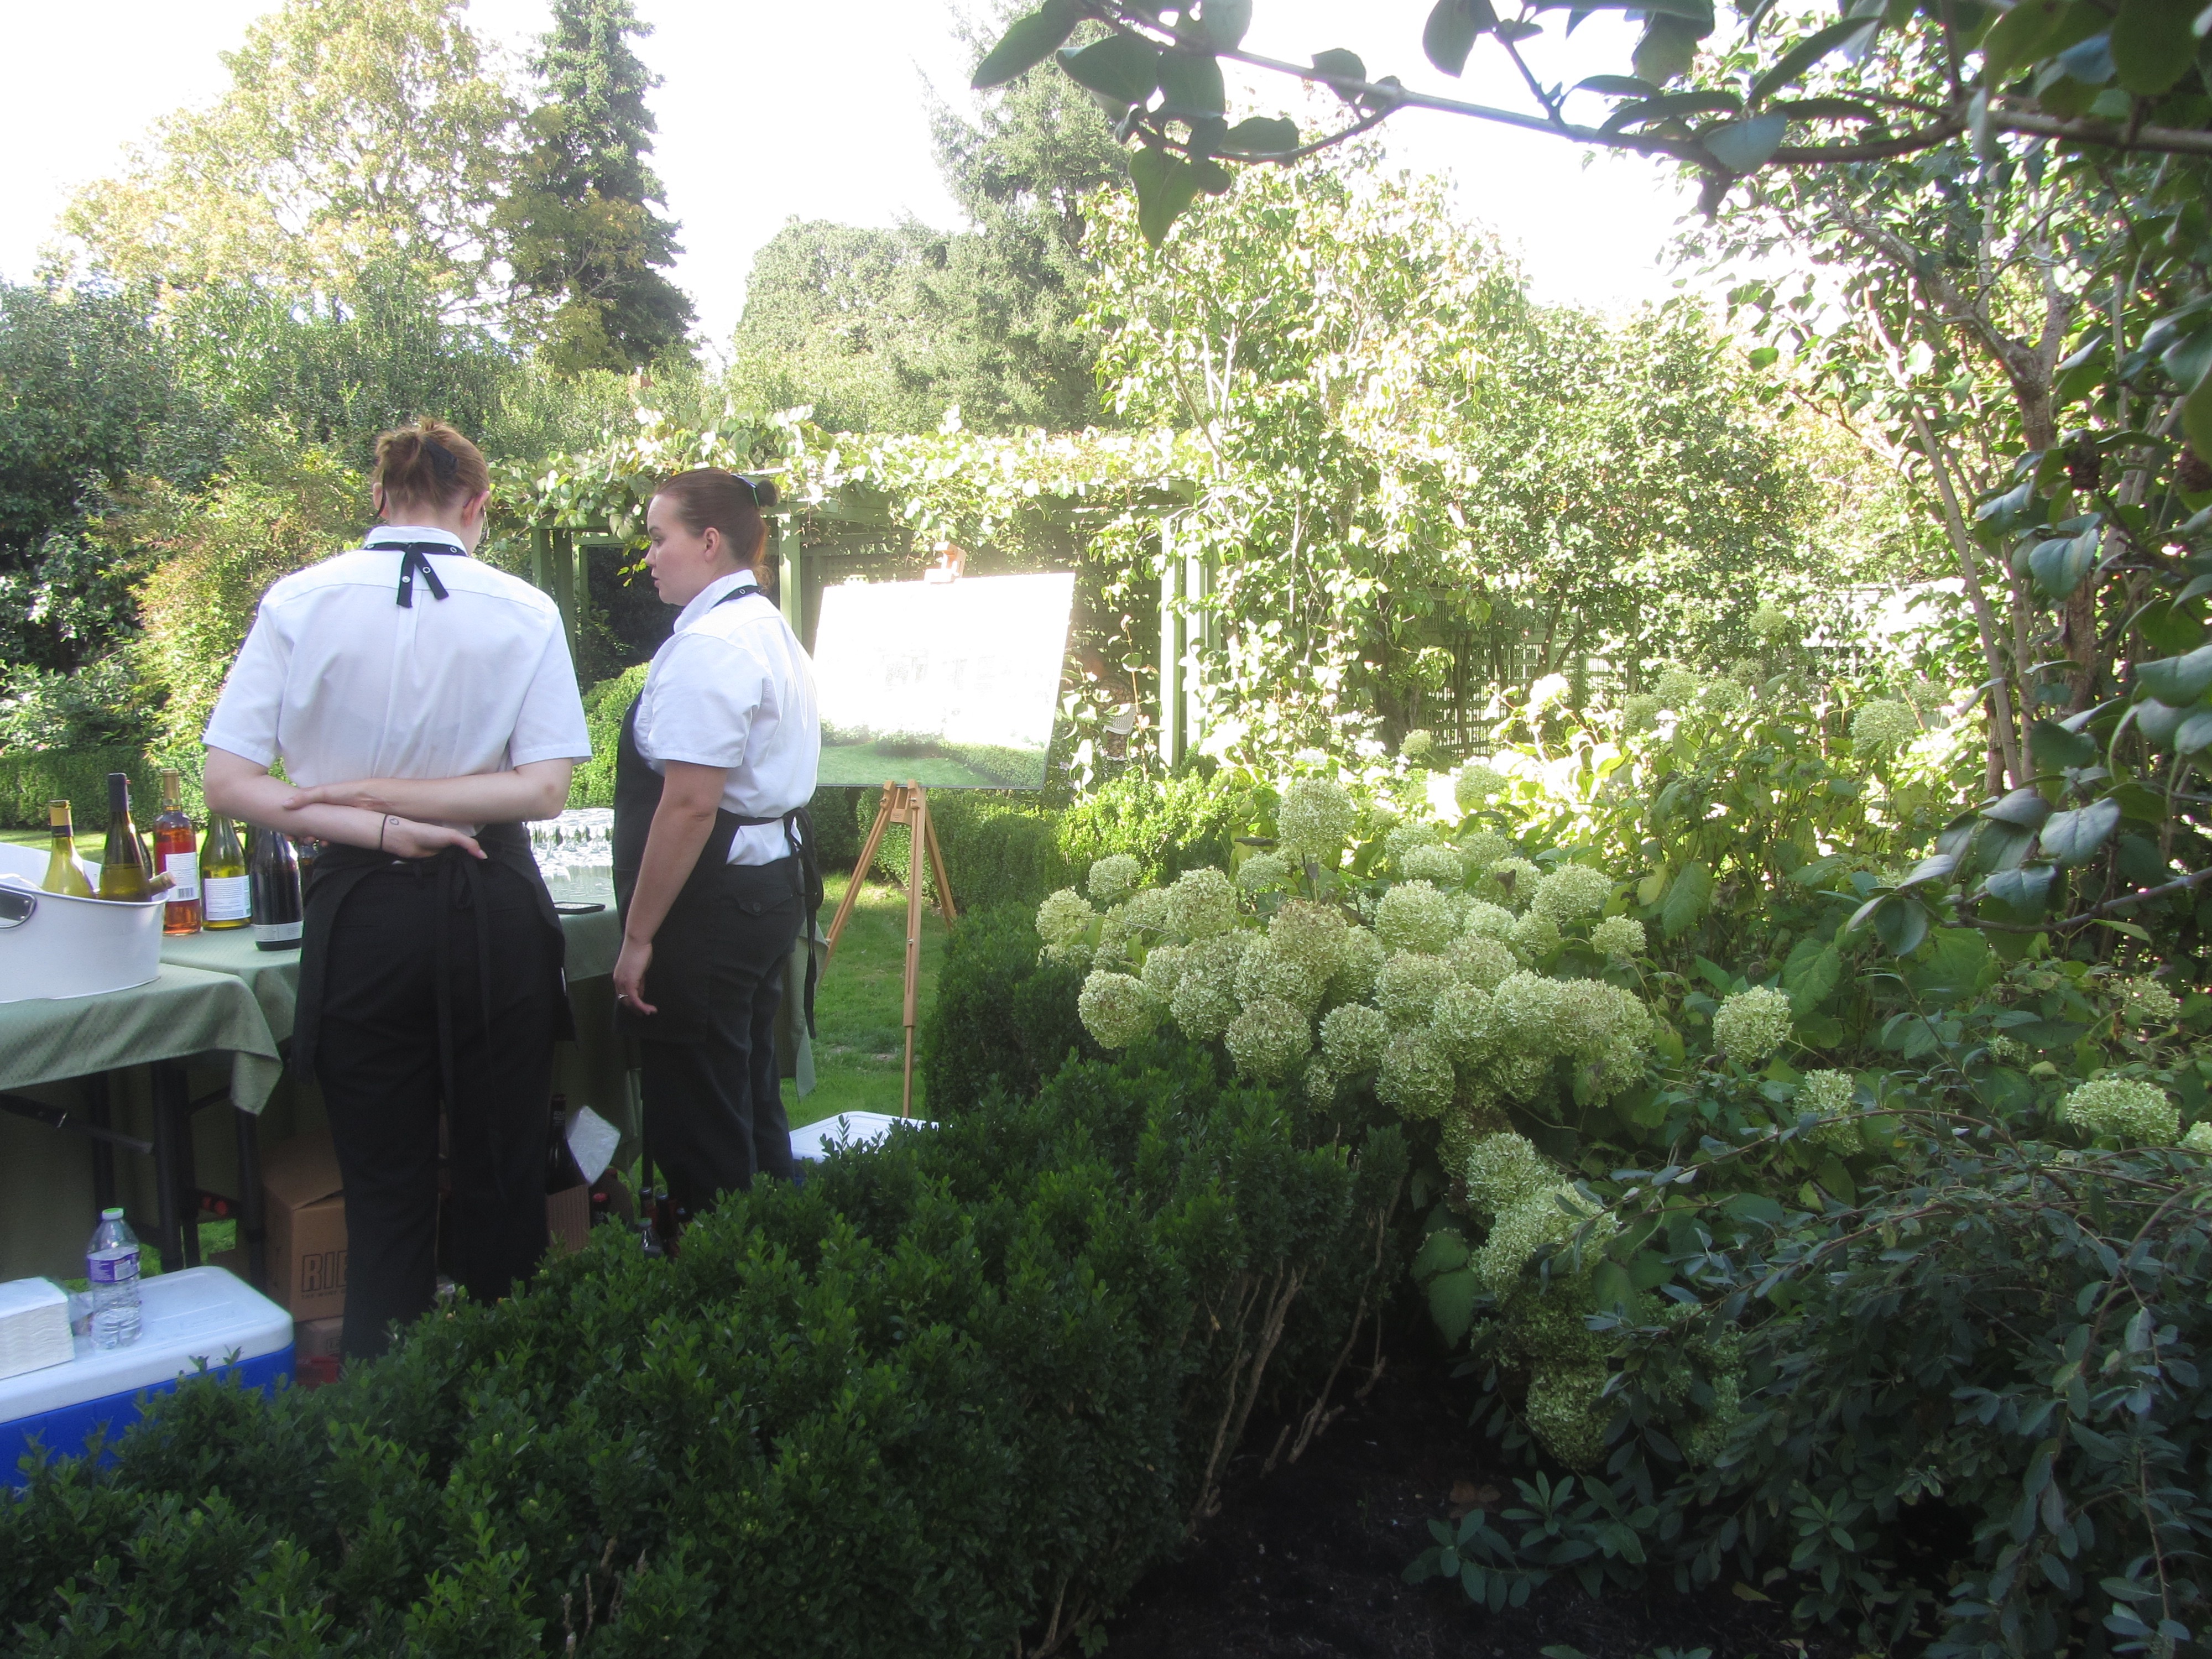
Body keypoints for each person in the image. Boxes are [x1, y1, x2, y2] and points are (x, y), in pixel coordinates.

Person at [202, 419, 590, 1361]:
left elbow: (229, 780)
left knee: (384, 1189)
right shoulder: (525, 608)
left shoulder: (299, 601)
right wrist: (399, 813)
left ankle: (388, 1421)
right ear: (477, 506)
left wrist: (374, 809)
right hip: (489, 897)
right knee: (503, 1176)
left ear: (379, 497)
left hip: (364, 909)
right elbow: (543, 788)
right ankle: (512, 1397)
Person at [611, 468, 821, 1220]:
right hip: (764, 888)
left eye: (658, 538)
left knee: (701, 1121)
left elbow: (691, 805)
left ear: (708, 542)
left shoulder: (716, 645)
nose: (650, 557)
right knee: (747, 1093)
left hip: (714, 907)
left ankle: (722, 1268)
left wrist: (638, 937)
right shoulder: (763, 627)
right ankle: (779, 1254)